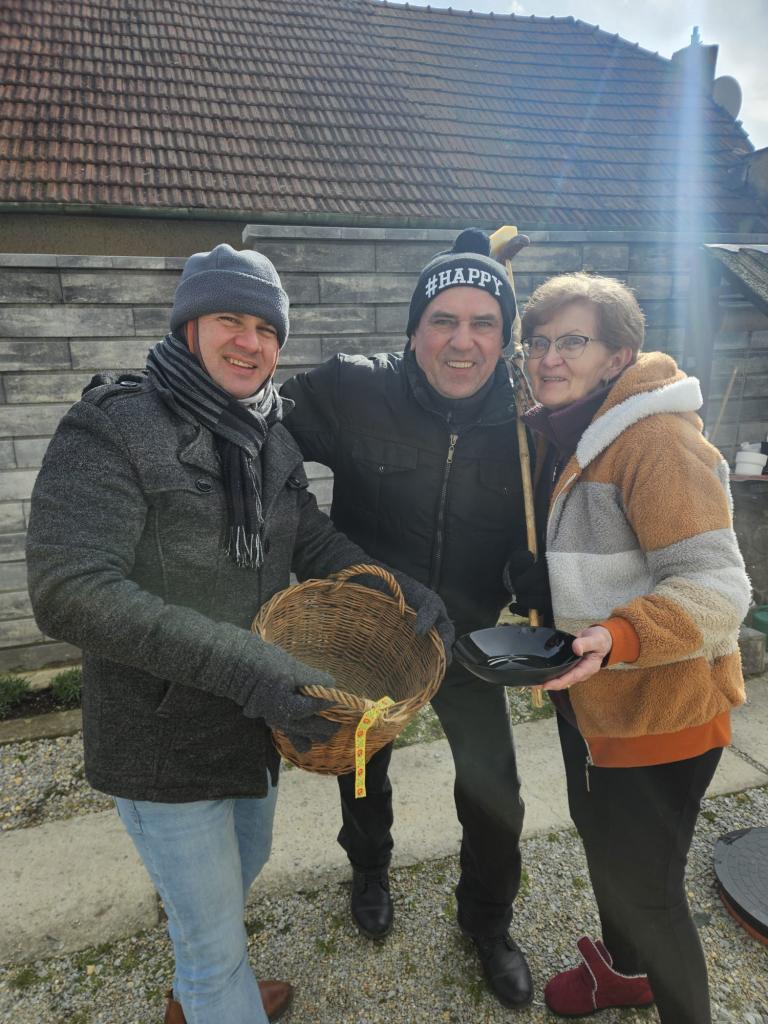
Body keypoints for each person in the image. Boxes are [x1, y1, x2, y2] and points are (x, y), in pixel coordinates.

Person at [25, 244, 449, 1024]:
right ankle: (211, 991)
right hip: (161, 737)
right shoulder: (112, 428)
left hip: (254, 728)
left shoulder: (268, 434)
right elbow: (69, 593)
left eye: (267, 329)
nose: (251, 343)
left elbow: (310, 538)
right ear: (189, 325)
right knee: (215, 944)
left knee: (239, 871)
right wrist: (255, 667)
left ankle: (194, 989)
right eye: (231, 319)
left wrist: (396, 591)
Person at [281, 229, 534, 1009]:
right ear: (414, 329)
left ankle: (487, 922)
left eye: (484, 323)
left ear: (505, 336)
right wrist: (314, 545)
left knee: (496, 794)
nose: (463, 341)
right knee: (361, 768)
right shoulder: (352, 388)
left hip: (471, 641)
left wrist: (536, 582)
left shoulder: (531, 420)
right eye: (443, 320)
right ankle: (369, 869)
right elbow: (258, 433)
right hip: (373, 639)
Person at [506, 272, 750, 1022]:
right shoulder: (567, 432)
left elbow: (717, 587)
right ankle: (624, 974)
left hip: (660, 712)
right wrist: (548, 584)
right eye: (538, 343)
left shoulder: (656, 441)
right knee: (605, 847)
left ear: (618, 356)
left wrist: (619, 634)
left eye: (572, 341)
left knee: (650, 892)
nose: (548, 358)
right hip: (595, 702)